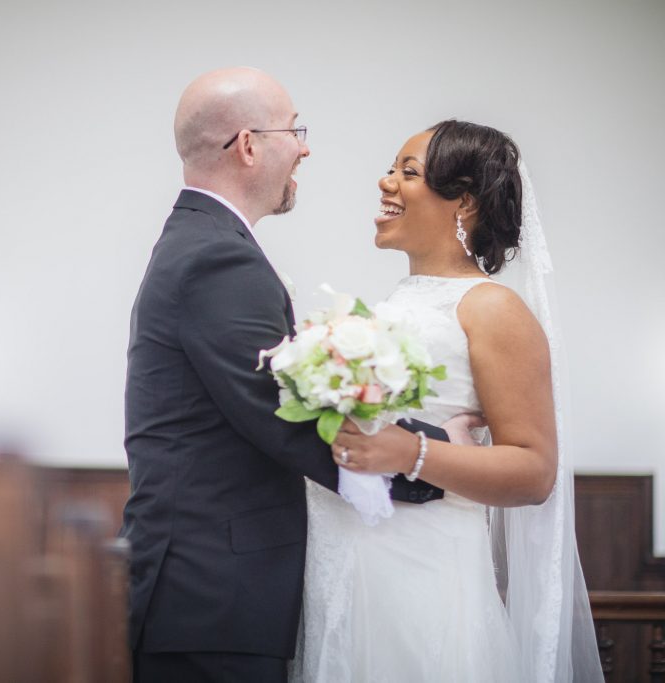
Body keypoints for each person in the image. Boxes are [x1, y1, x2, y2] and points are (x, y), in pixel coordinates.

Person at [121, 67, 450, 683]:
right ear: (249, 146)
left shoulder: (202, 243)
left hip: (203, 595)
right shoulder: (215, 256)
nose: (305, 146)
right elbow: (280, 413)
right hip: (212, 597)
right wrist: (432, 458)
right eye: (295, 129)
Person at [291, 120, 602, 682]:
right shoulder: (399, 300)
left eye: (407, 172)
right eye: (392, 168)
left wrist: (411, 452)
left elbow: (533, 471)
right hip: (350, 564)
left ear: (464, 202)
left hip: (420, 573)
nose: (385, 183)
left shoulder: (491, 308)